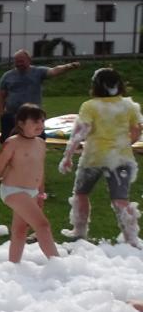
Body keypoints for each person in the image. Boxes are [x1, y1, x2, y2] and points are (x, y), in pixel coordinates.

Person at [58, 67, 143, 246]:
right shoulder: (129, 106)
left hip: (93, 157)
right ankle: (132, 239)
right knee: (120, 199)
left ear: (95, 85)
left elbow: (79, 134)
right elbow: (137, 131)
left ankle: (79, 232)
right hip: (121, 158)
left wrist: (67, 157)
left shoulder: (90, 106)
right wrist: (123, 145)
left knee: (81, 194)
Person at [0, 103, 57, 262]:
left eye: (42, 121)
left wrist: (41, 194)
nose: (40, 125)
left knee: (20, 230)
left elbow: (40, 171)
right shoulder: (12, 143)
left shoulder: (40, 143)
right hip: (13, 190)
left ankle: (13, 264)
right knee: (42, 225)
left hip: (32, 192)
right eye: (35, 122)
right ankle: (58, 264)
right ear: (21, 123)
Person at [0, 50, 80, 141]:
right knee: (8, 140)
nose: (19, 64)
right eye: (17, 61)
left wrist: (68, 66)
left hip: (33, 115)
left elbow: (53, 71)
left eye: (21, 61)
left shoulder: (38, 72)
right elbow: (1, 96)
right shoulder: (7, 76)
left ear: (29, 60)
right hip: (11, 115)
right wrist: (2, 114)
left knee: (37, 139)